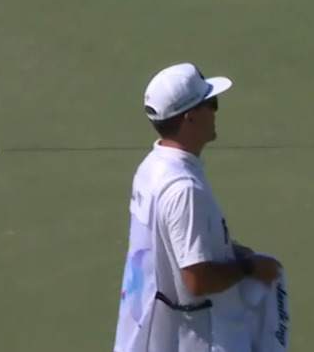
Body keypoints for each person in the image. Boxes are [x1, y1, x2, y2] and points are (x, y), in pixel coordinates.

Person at [114, 62, 286, 352]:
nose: (216, 111)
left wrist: (225, 249)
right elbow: (197, 280)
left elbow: (171, 244)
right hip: (199, 340)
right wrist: (249, 267)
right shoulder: (184, 189)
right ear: (190, 118)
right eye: (211, 103)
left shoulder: (151, 168)